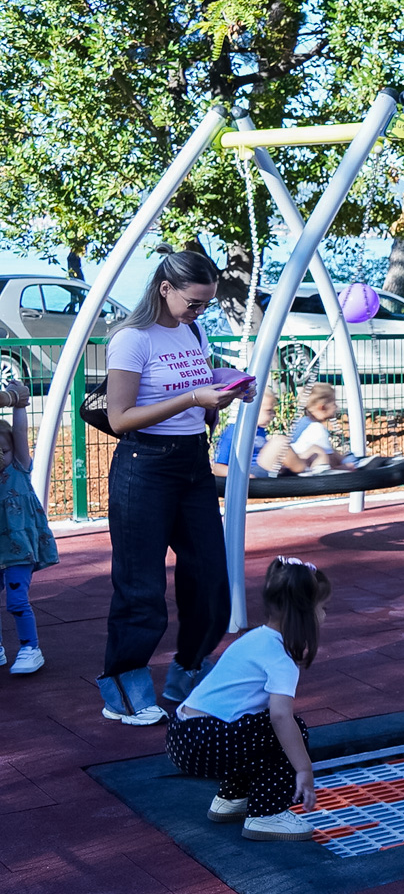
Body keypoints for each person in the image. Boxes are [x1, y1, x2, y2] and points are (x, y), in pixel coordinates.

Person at [101, 249, 251, 725]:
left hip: (191, 462)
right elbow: (120, 418)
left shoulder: (192, 330)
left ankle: (188, 670)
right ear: (165, 289)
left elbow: (195, 391)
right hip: (144, 465)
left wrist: (224, 390)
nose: (200, 311)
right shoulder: (132, 339)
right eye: (194, 302)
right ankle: (122, 689)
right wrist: (192, 397)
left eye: (207, 304)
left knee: (210, 578)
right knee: (141, 585)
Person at [166, 557, 326, 841]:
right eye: (322, 608)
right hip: (206, 741)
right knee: (291, 730)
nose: (324, 615)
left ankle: (231, 799)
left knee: (253, 730)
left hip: (181, 734)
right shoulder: (281, 658)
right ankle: (267, 815)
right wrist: (304, 769)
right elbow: (280, 716)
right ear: (303, 614)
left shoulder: (254, 639)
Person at [0, 377, 56, 675]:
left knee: (17, 600)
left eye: (4, 450)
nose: (1, 456)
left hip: (19, 549)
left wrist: (19, 404)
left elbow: (20, 433)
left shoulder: (18, 467)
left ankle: (30, 648)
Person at [279, 383, 352, 474]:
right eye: (334, 403)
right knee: (321, 453)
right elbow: (330, 458)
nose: (336, 407)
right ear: (322, 407)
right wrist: (346, 466)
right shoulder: (317, 428)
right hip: (305, 469)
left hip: (294, 463)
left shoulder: (303, 422)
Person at [213, 388, 276, 479]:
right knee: (280, 441)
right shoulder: (235, 432)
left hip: (263, 473)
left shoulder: (260, 430)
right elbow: (218, 468)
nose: (273, 415)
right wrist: (246, 477)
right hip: (247, 475)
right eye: (268, 410)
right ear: (253, 409)